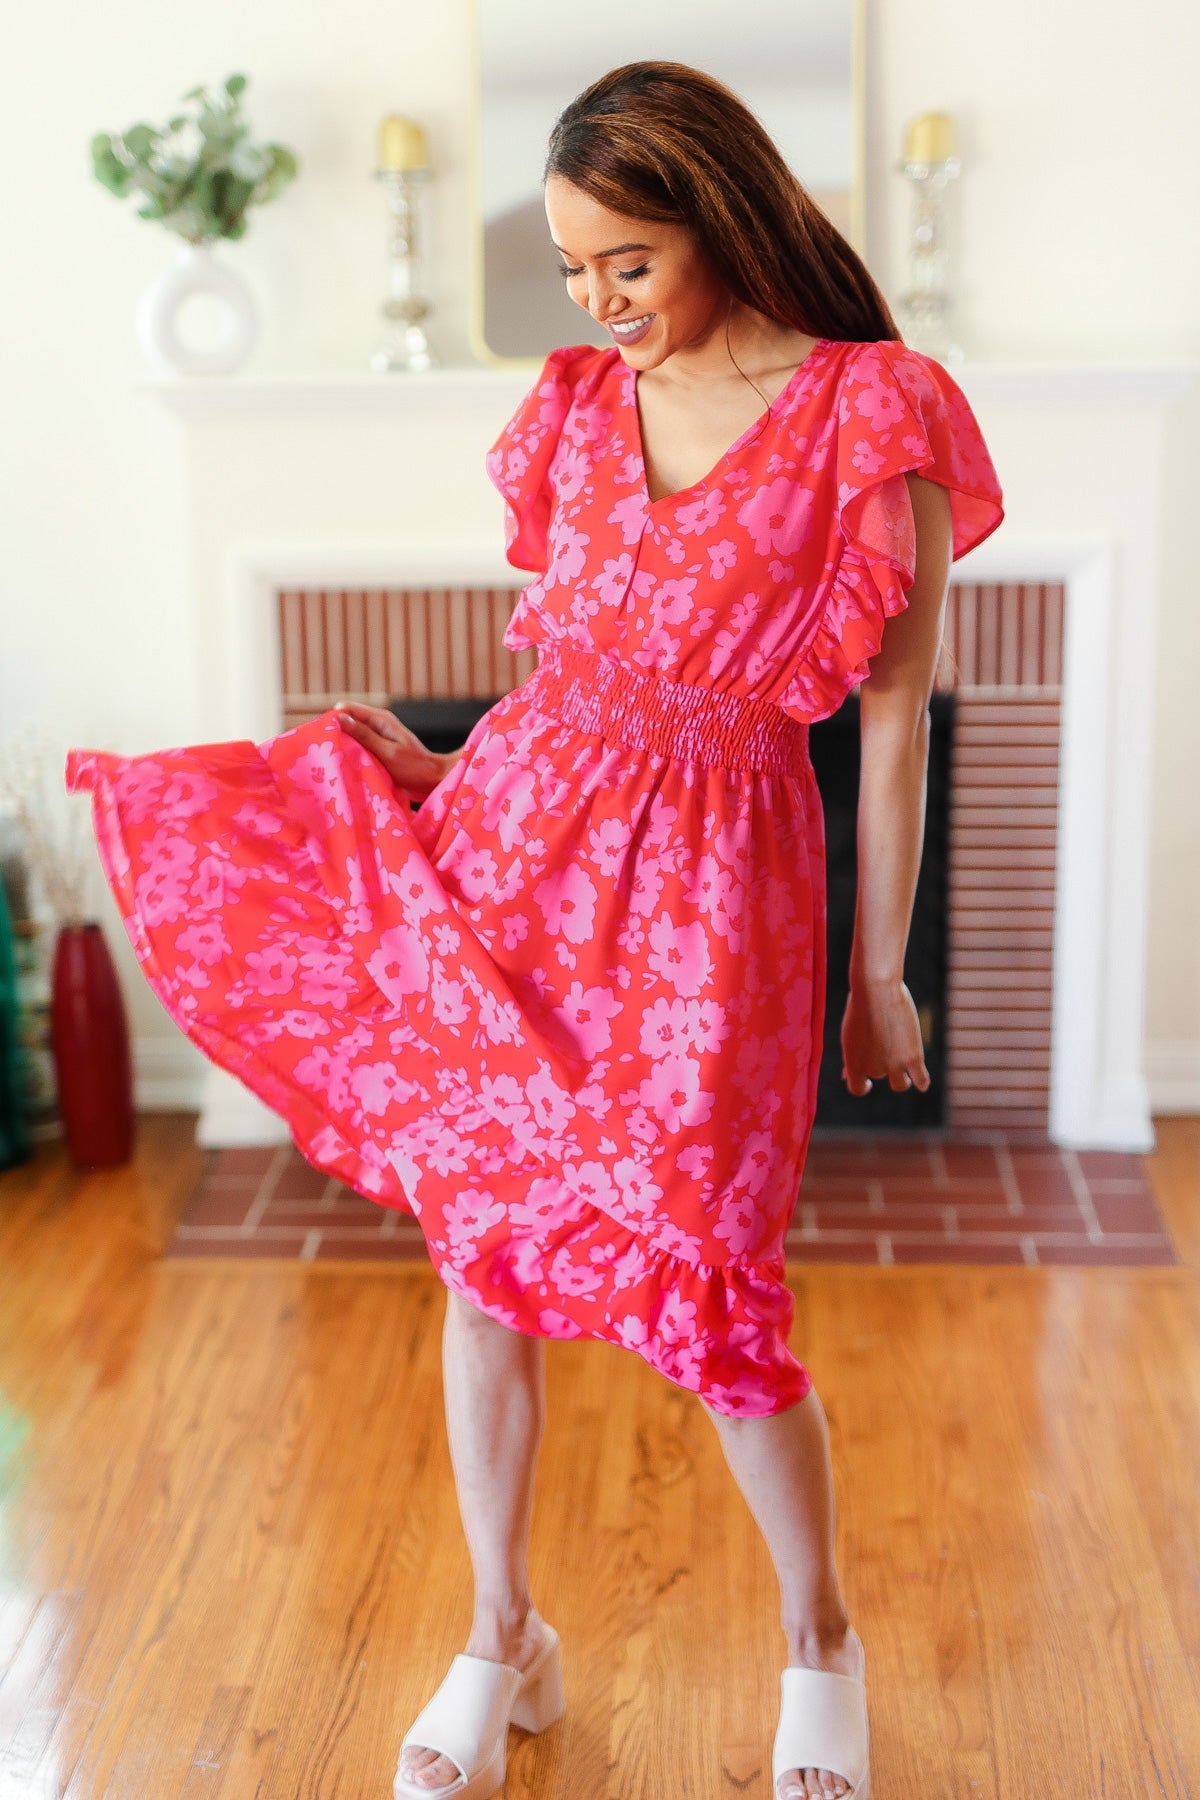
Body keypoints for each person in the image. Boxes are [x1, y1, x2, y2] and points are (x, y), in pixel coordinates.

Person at [67, 60, 1003, 1800]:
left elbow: (895, 720)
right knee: (484, 1262)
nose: (598, 304)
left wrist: (881, 972)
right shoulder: (575, 407)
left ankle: (821, 1641)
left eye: (629, 264)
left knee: (715, 1290)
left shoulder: (871, 413)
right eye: (573, 269)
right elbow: (572, 683)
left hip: (714, 915)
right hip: (516, 862)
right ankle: (503, 1635)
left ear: (722, 217)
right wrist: (444, 769)